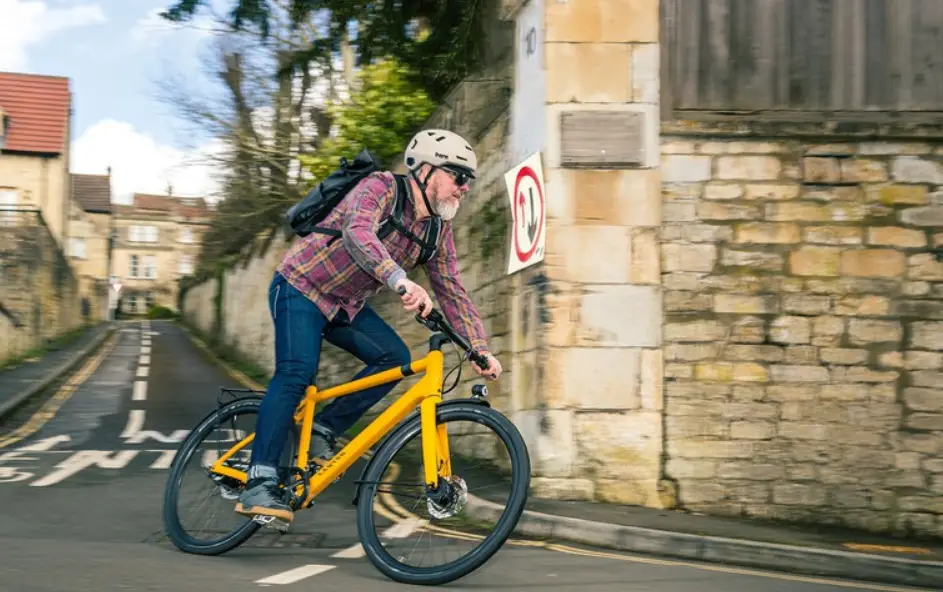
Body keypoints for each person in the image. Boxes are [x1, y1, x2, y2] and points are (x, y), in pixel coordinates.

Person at [235, 129, 503, 523]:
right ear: (427, 171)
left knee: (392, 358)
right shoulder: (379, 187)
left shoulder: (437, 231)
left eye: (468, 181)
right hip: (301, 286)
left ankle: (324, 428)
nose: (463, 188)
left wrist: (477, 347)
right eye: (458, 176)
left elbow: (451, 289)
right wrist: (399, 279)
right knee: (296, 374)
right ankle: (258, 480)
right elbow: (357, 232)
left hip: (345, 304)